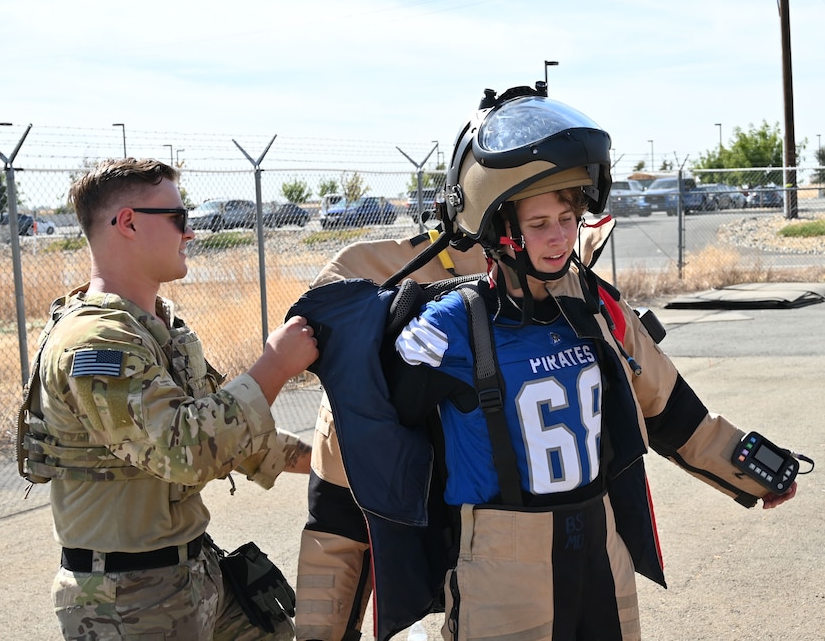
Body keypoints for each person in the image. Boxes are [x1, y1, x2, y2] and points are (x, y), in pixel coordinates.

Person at [289, 84, 797, 640]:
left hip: (588, 555)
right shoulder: (410, 302)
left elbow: (667, 405)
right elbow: (342, 498)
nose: (557, 236)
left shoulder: (580, 295)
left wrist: (753, 470)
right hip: (491, 572)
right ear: (499, 217)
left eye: (566, 215)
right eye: (538, 220)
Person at [19, 158, 318, 640]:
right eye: (179, 218)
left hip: (192, 572)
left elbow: (223, 430)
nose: (191, 233)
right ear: (129, 223)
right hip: (127, 600)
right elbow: (185, 450)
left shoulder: (156, 327)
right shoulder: (96, 343)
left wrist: (324, 460)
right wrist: (275, 366)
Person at [295, 229, 488, 641]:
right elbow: (312, 328)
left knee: (482, 602)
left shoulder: (543, 256)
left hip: (461, 470)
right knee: (322, 617)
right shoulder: (365, 261)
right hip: (350, 470)